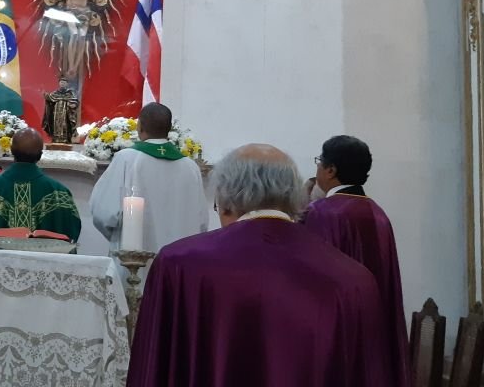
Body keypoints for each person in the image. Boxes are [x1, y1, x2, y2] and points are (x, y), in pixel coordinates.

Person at [128, 144, 393, 387]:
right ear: (294, 196)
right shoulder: (353, 280)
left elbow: (155, 370)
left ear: (227, 198)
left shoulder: (179, 265)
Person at [303, 135, 409, 386]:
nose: (316, 168)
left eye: (319, 162)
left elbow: (308, 279)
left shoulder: (323, 213)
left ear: (331, 170)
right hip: (376, 329)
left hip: (339, 334)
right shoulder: (378, 213)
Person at [89, 102, 206, 252]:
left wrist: (117, 238)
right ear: (169, 129)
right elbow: (201, 221)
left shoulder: (126, 160)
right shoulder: (191, 168)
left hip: (135, 260)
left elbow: (104, 213)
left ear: (139, 127)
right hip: (179, 262)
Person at [0, 128, 81, 247]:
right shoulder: (60, 193)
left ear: (11, 151)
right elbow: (71, 234)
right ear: (40, 155)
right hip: (45, 264)